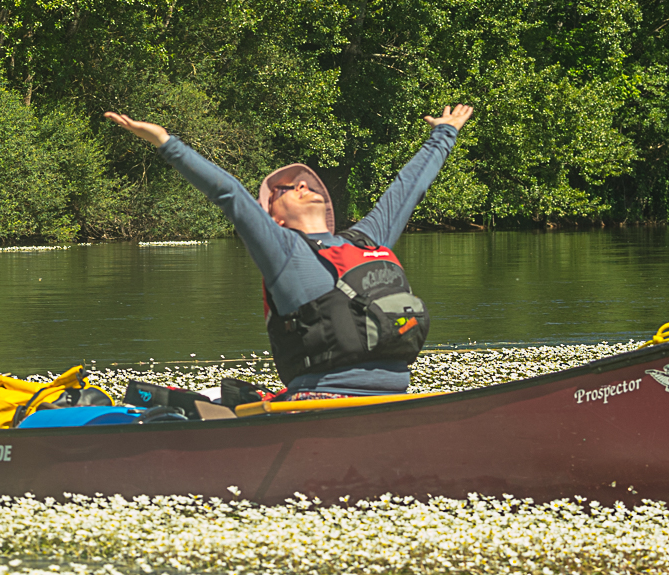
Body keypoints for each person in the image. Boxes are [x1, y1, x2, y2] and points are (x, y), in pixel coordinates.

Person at [104, 105, 475, 397]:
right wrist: (166, 143)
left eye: (306, 184)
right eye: (285, 188)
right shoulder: (283, 251)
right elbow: (229, 194)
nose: (301, 185)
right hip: (323, 398)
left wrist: (444, 132)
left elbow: (409, 187)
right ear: (273, 218)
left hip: (395, 395)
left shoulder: (366, 240)